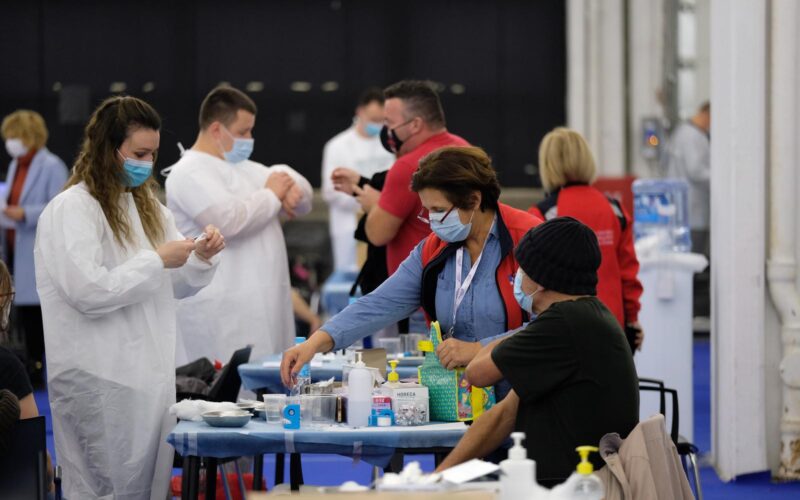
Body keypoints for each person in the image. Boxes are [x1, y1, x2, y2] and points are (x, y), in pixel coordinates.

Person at [34, 96, 225, 499]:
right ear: (108, 148)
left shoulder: (147, 208)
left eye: (153, 154)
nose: (147, 163)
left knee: (146, 487)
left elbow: (175, 284)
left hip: (147, 378)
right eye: (139, 154)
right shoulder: (72, 209)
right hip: (97, 379)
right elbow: (88, 291)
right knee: (104, 488)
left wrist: (200, 257)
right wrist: (156, 260)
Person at [281, 146, 541, 389]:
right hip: (458, 395)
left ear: (474, 200)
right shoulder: (433, 248)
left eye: (439, 210)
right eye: (427, 211)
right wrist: (314, 344)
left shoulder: (530, 240)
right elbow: (379, 304)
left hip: (520, 392)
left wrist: (481, 349)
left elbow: (552, 323)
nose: (433, 221)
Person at [436, 217, 639, 485]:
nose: (517, 277)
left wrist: (521, 332)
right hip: (574, 481)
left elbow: (476, 373)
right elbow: (503, 415)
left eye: (522, 269)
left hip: (571, 488)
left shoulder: (562, 324)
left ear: (541, 280)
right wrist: (438, 478)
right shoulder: (586, 316)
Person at [166, 86, 312, 364]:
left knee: (272, 379)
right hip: (221, 310)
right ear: (217, 129)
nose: (249, 139)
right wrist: (272, 194)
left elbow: (303, 201)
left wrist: (291, 185)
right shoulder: (187, 172)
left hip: (266, 303)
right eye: (243, 132)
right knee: (228, 385)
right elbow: (227, 221)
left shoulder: (247, 169)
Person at [529, 127, 644, 352]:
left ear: (548, 165)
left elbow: (533, 281)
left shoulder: (543, 214)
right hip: (613, 326)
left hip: (563, 328)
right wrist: (632, 320)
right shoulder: (615, 210)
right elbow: (628, 273)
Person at [351, 80, 469, 278]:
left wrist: (373, 205)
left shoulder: (407, 167)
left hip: (416, 287)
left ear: (415, 124)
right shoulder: (466, 150)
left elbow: (377, 234)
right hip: (461, 278)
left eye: (389, 123)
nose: (386, 130)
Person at [1, 110, 68, 384]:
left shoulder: (52, 165)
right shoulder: (16, 165)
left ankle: (39, 368)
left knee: (37, 314)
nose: (11, 142)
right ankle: (31, 365)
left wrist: (24, 213)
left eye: (15, 136)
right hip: (14, 245)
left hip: (37, 246)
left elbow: (59, 207)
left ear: (30, 136)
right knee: (24, 313)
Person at [322, 87, 394, 272]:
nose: (377, 124)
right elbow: (330, 191)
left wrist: (378, 203)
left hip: (384, 221)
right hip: (348, 226)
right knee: (350, 275)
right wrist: (366, 200)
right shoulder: (337, 146)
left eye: (382, 120)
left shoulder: (390, 145)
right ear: (360, 112)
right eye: (373, 119)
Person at [663, 101, 711, 255]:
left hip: (685, 210)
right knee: (695, 256)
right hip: (693, 211)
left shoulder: (683, 132)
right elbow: (695, 170)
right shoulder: (692, 136)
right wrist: (720, 179)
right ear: (707, 114)